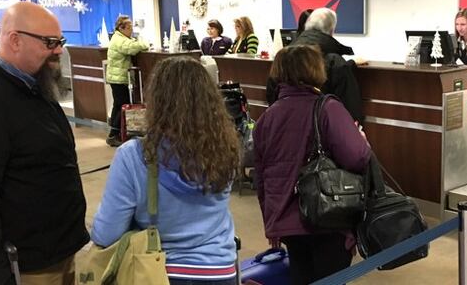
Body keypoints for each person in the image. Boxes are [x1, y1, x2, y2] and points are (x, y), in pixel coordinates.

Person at [0, 2, 88, 284]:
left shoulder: (34, 85)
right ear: (15, 40)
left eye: (60, 42)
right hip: (30, 265)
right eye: (50, 42)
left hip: (64, 249)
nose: (58, 50)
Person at [91, 56, 240, 284]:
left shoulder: (134, 155)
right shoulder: (225, 149)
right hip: (220, 270)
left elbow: (106, 233)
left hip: (158, 272)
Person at [254, 45, 370, 285]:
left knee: (300, 276)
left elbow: (261, 178)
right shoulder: (328, 108)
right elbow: (357, 157)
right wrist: (362, 141)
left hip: (287, 222)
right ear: (315, 70)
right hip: (328, 217)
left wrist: (271, 223)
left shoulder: (267, 118)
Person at [270, 7, 365, 122]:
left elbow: (271, 96)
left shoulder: (282, 58)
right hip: (321, 134)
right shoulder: (335, 62)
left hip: (284, 129)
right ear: (331, 31)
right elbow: (350, 111)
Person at [106, 15, 149, 147]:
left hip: (119, 77)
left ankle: (118, 133)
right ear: (121, 28)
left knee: (119, 104)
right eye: (129, 27)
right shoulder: (119, 40)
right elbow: (134, 48)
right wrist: (143, 43)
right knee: (121, 105)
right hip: (118, 78)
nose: (131, 30)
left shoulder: (121, 38)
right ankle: (113, 134)